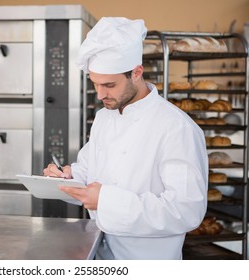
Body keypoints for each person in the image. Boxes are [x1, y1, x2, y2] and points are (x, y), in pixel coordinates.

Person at [43, 17, 208, 260]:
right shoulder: (104, 118)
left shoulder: (176, 127)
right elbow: (90, 171)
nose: (100, 94)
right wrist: (69, 176)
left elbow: (186, 210)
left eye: (109, 85)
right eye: (95, 83)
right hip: (99, 252)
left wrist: (106, 200)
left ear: (136, 72)